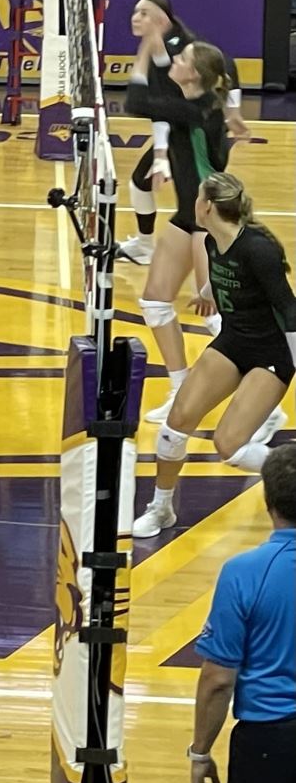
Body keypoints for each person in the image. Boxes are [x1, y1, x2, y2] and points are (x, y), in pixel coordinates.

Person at [131, 173, 294, 539]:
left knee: (229, 445)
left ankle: (292, 471)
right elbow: (221, 275)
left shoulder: (257, 249)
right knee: (174, 428)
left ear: (206, 207)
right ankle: (161, 509)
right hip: (234, 342)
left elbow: (290, 307)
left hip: (271, 354)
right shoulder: (211, 243)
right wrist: (206, 292)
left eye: (196, 197)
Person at [123, 29, 231, 424]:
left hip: (209, 220)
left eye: (182, 58)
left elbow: (136, 102)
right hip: (190, 217)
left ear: (194, 74)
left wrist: (143, 50)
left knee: (218, 316)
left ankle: (259, 396)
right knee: (154, 301)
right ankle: (179, 389)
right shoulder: (193, 103)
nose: (175, 60)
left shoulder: (199, 109)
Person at [186, 444, 296, 783]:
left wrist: (200, 751)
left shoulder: (244, 573)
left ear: (268, 500)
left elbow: (218, 679)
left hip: (271, 745)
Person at [116, 0, 247, 267]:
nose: (135, 17)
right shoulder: (161, 54)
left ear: (161, 20)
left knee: (199, 218)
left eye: (143, 13)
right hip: (182, 129)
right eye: (135, 12)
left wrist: (233, 112)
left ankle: (221, 277)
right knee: (142, 182)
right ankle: (145, 247)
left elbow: (227, 64)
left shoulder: (184, 48)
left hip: (195, 136)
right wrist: (162, 154)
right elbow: (159, 108)